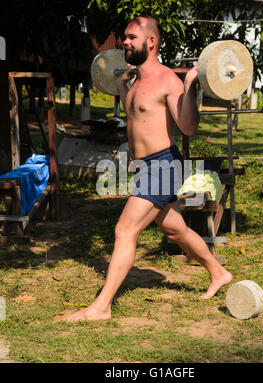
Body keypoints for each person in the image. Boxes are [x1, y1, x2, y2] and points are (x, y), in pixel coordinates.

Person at [64, 16, 232, 322]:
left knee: (124, 229)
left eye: (130, 37)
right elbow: (135, 119)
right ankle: (219, 272)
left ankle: (101, 307)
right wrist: (119, 84)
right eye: (124, 38)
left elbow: (188, 127)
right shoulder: (137, 81)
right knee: (174, 229)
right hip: (145, 166)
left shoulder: (167, 80)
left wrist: (190, 86)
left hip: (164, 166)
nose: (124, 42)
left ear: (150, 42)